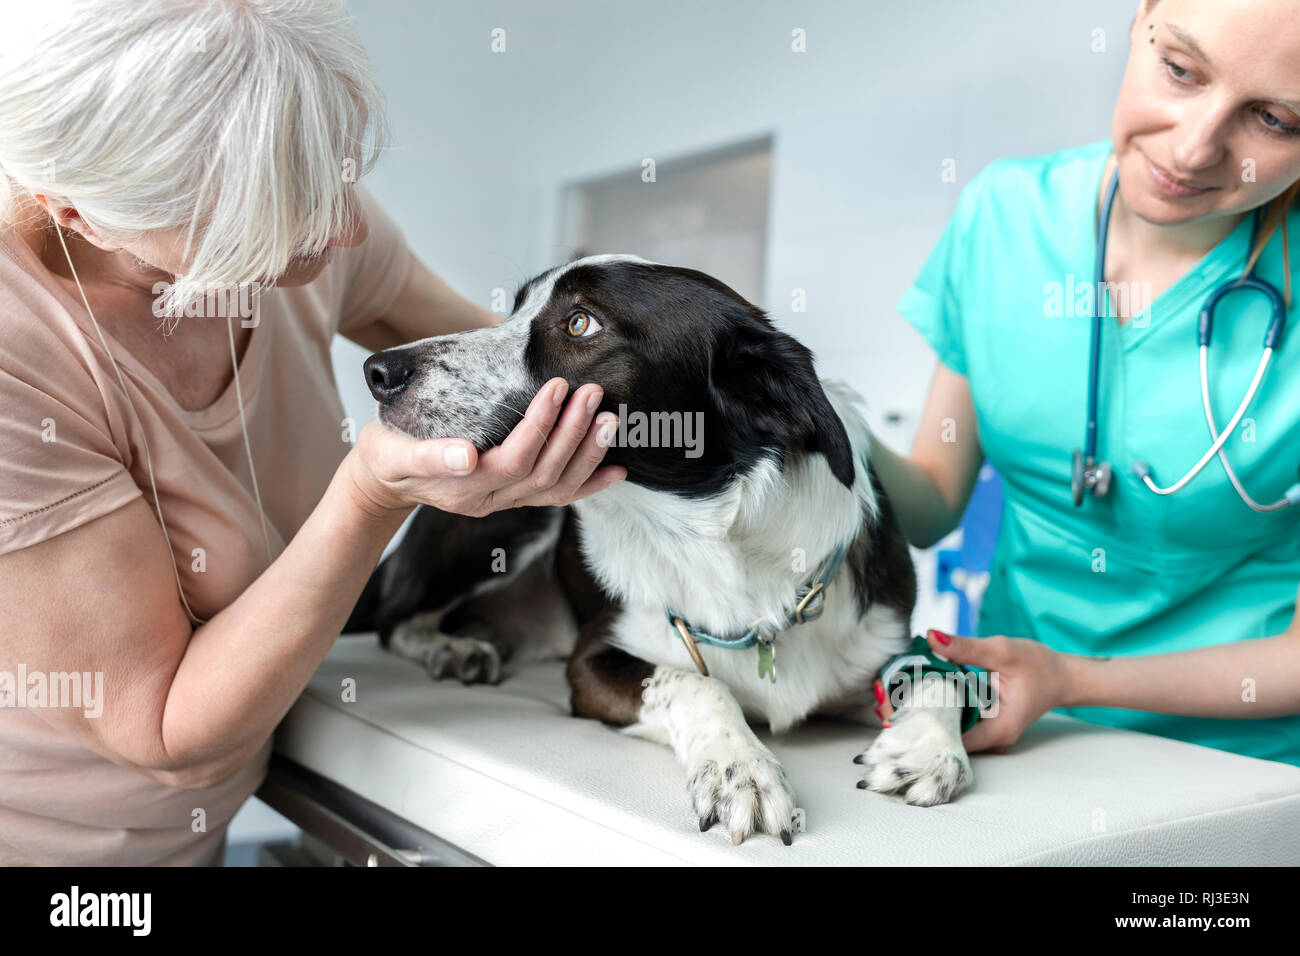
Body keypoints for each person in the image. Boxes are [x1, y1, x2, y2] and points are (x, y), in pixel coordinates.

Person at [0, 0, 625, 865]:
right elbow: (165, 732)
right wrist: (371, 495)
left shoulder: (304, 201)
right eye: (278, 214)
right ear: (76, 213)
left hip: (204, 830)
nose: (349, 230)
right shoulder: (16, 355)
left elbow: (520, 374)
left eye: (336, 176)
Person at [871, 0, 1300, 766]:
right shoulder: (1003, 216)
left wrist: (1070, 678)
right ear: (1142, 18)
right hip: (1010, 739)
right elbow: (932, 501)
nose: (1196, 148)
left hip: (1239, 772)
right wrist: (813, 415)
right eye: (1180, 70)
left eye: (1274, 120)